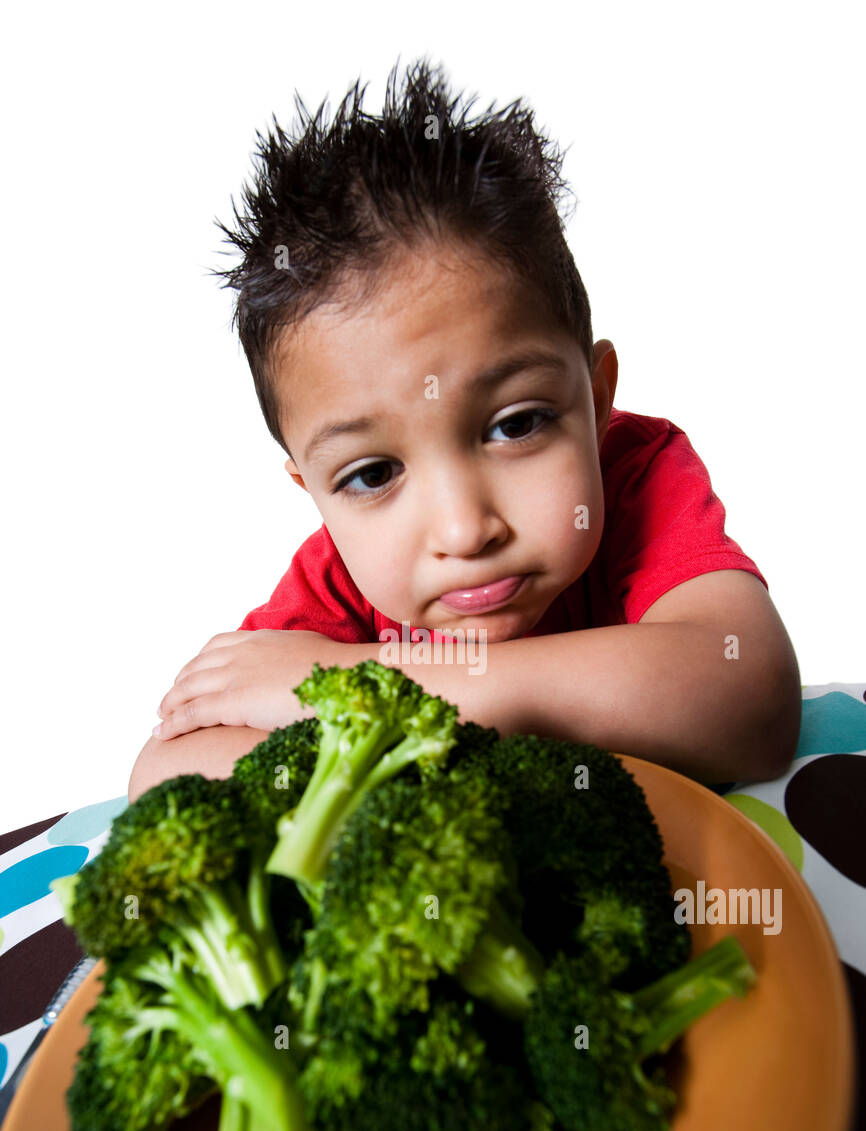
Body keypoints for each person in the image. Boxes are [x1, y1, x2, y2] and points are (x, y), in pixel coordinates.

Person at [129, 58, 801, 804]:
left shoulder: (636, 477)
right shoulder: (337, 585)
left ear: (598, 397)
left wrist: (369, 687)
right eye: (373, 475)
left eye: (516, 426)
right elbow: (168, 773)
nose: (464, 528)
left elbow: (750, 691)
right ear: (313, 490)